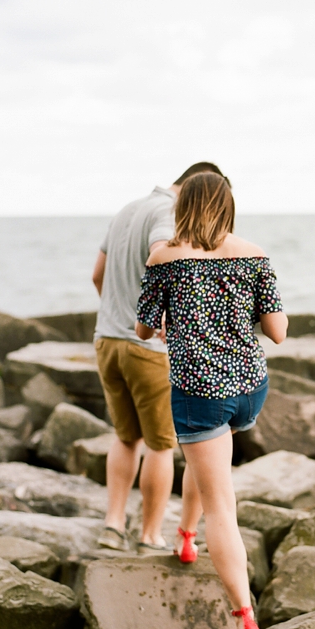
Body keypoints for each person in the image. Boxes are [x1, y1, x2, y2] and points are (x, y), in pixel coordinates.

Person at [135, 171, 287, 629]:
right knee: (211, 463)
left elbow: (142, 329)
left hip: (200, 393)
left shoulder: (164, 257)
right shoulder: (255, 255)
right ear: (228, 205)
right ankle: (183, 535)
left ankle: (244, 616)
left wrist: (166, 324)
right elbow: (278, 331)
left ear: (183, 205)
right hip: (249, 388)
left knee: (222, 508)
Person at [91, 162, 227, 554]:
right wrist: (163, 323)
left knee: (125, 437)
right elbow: (161, 258)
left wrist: (120, 314)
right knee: (161, 444)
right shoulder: (168, 213)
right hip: (147, 349)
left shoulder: (127, 210)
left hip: (107, 343)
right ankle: (149, 534)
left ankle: (113, 525)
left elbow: (98, 275)